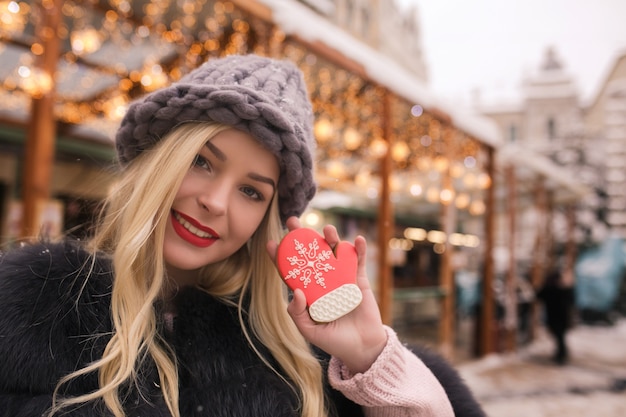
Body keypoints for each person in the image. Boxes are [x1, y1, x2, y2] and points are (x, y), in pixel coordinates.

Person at [0, 54, 485, 417]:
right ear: (158, 161)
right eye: (201, 161)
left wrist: (369, 357)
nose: (216, 201)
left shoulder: (304, 356)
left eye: (252, 192)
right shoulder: (26, 309)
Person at [537, 266, 575, 365]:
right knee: (560, 337)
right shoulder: (563, 290)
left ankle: (561, 355)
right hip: (561, 318)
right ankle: (561, 354)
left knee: (559, 337)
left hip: (556, 318)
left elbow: (539, 295)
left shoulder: (552, 290)